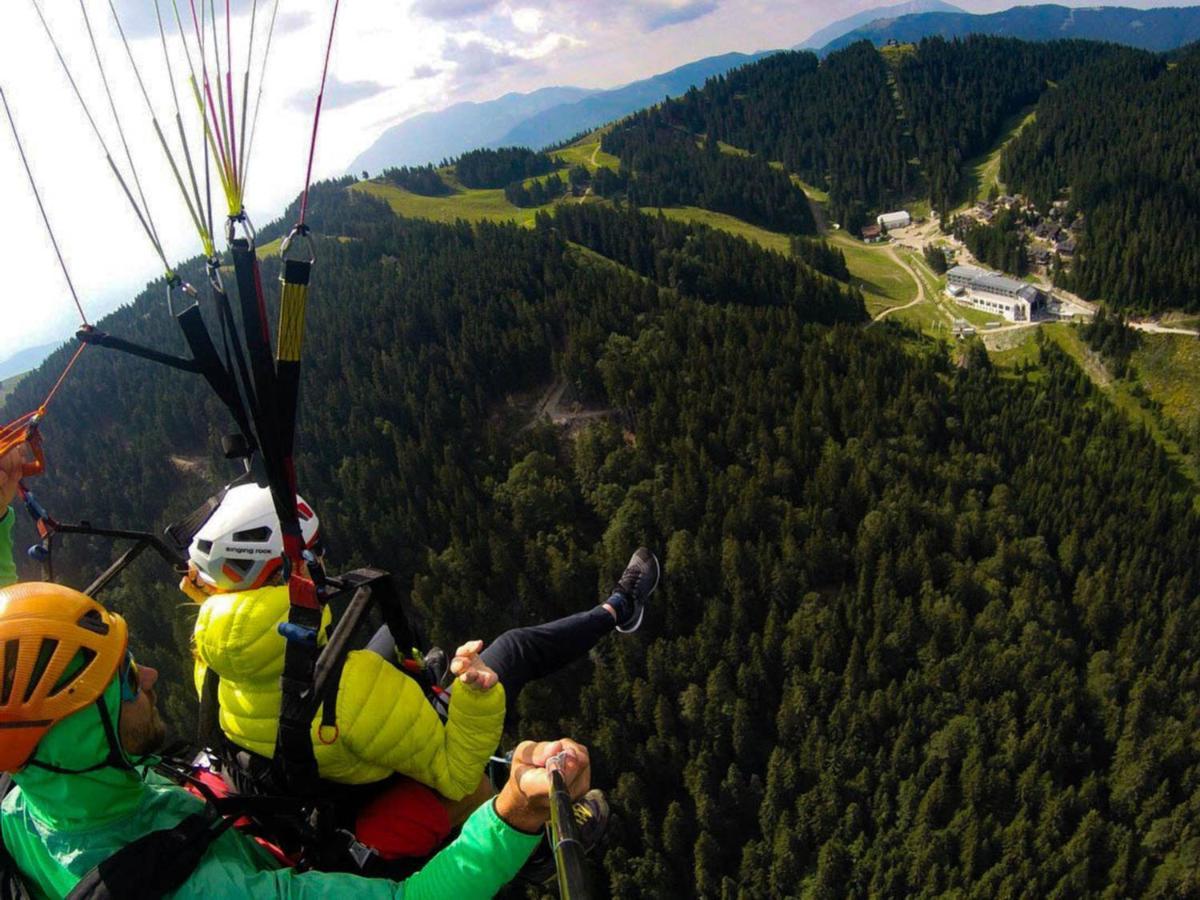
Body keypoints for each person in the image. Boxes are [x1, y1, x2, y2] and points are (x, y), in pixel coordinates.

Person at [0, 579, 594, 899]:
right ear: (79, 731)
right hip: (302, 856)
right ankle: (535, 847)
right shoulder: (199, 891)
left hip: (250, 819)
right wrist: (514, 814)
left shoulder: (27, 799)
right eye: (126, 680)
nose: (150, 676)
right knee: (450, 798)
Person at [181, 483, 658, 859]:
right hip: (380, 778)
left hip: (320, 772)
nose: (322, 559)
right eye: (314, 549)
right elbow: (453, 771)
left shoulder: (213, 661)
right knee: (516, 649)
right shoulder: (356, 685)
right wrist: (476, 693)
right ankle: (620, 608)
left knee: (397, 641)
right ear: (290, 571)